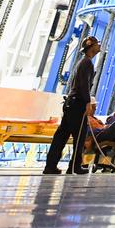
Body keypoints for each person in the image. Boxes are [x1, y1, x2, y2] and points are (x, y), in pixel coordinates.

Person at [44, 34, 100, 176]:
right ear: (92, 47)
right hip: (77, 105)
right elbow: (84, 85)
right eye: (97, 44)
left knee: (61, 137)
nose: (99, 46)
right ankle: (74, 167)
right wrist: (88, 102)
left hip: (71, 103)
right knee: (80, 137)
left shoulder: (83, 62)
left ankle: (50, 166)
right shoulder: (87, 63)